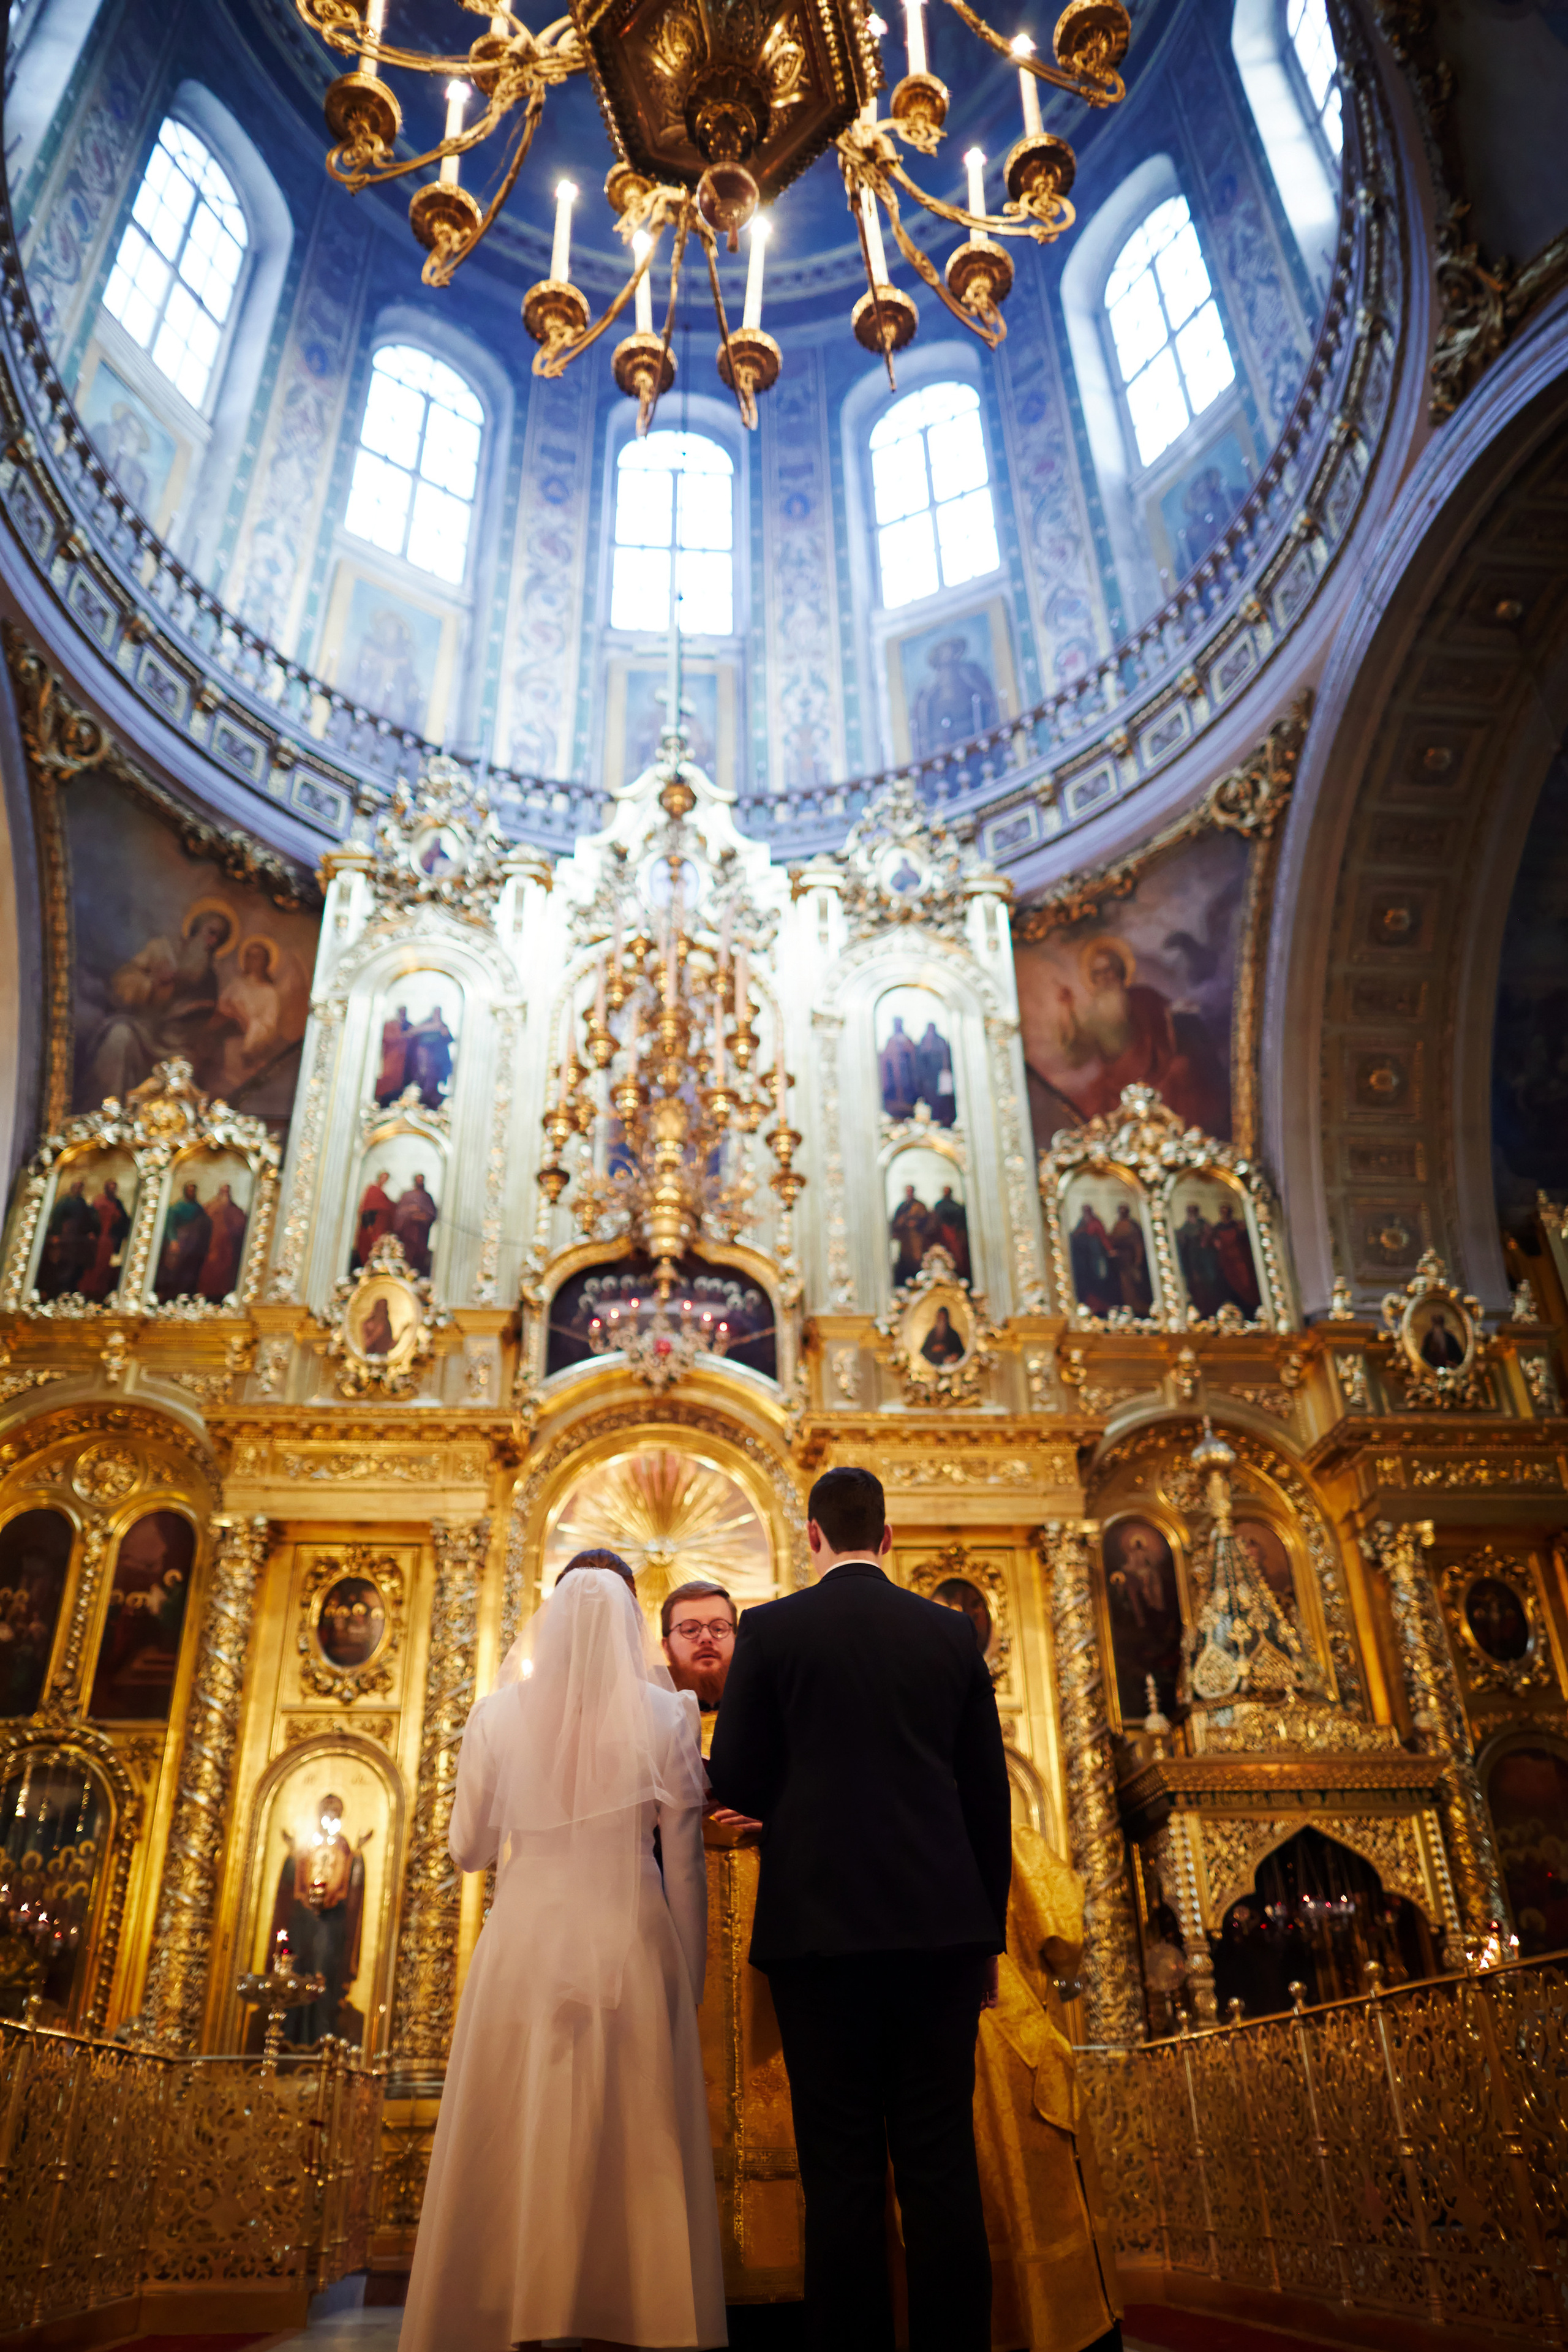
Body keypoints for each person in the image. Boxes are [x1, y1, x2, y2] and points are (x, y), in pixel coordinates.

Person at [708, 1466, 1011, 2352]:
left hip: (819, 1939)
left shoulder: (770, 1630)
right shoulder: (951, 1634)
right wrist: (984, 1939)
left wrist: (787, 1805)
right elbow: (985, 1800)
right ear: (887, 1538)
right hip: (941, 1939)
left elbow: (736, 1780)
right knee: (939, 2164)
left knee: (838, 2172)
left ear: (811, 1536)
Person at [401, 1553, 725, 2352]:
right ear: (630, 1620)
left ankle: (514, 2305)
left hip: (526, 1942)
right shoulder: (668, 1715)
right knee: (635, 2126)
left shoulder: (496, 1716)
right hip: (634, 1936)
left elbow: (469, 1850)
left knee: (522, 2117)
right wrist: (690, 1973)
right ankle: (642, 2313)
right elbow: (683, 1862)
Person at [661, 1578, 737, 1716]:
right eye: (690, 1630)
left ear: (737, 1640)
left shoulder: (767, 1700)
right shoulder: (644, 1708)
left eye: (719, 1629)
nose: (706, 1638)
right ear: (666, 1646)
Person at [392, 1172, 439, 1276]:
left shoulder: (427, 1197)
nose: (420, 1182)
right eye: (418, 1180)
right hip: (407, 1231)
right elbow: (399, 1212)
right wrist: (411, 1212)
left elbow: (432, 1214)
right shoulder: (407, 1195)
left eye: (422, 1180)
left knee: (419, 1255)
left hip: (421, 1232)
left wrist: (423, 1216)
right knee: (406, 1252)